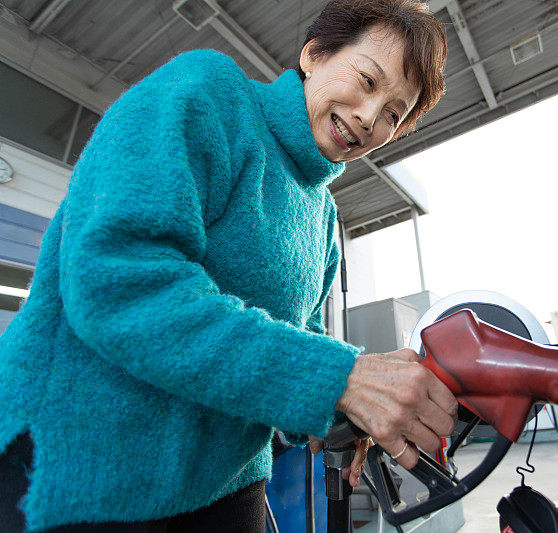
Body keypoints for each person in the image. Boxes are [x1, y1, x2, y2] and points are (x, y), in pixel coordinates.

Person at [0, 1, 454, 531]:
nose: (370, 117)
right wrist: (342, 379)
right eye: (368, 80)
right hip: (81, 466)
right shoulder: (204, 93)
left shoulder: (323, 218)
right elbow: (120, 283)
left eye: (394, 114)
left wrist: (349, 409)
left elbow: (298, 342)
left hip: (226, 485)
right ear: (314, 54)